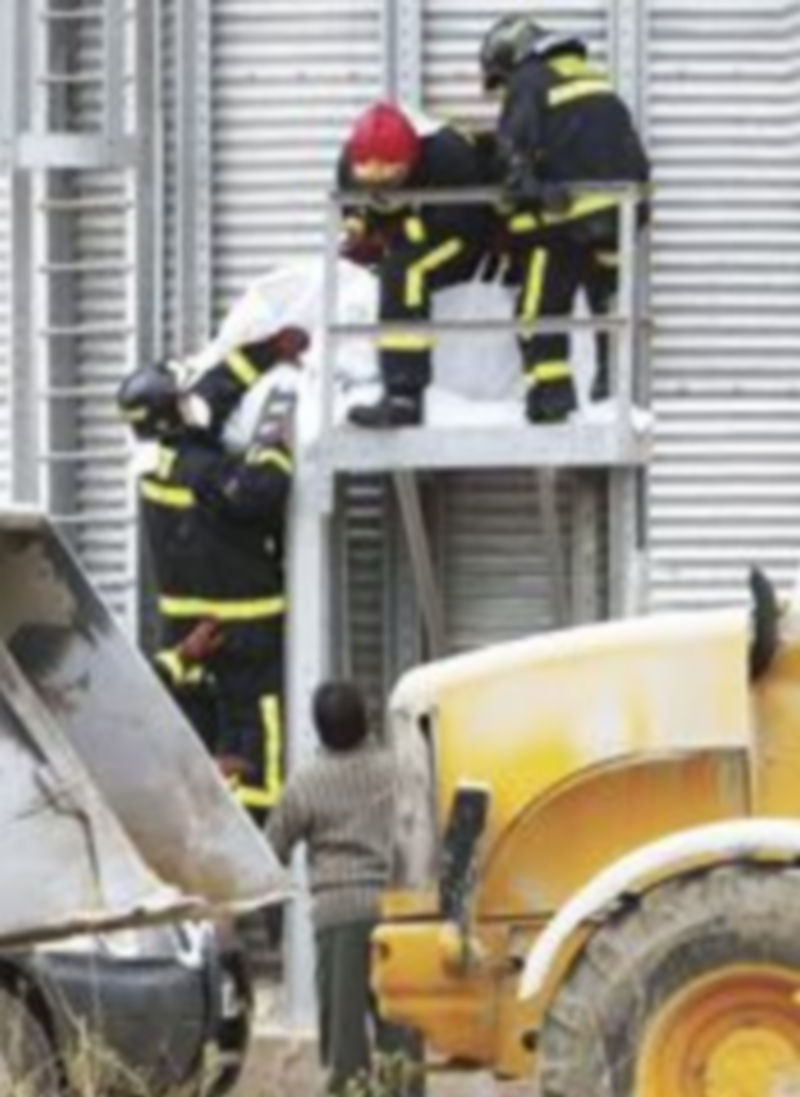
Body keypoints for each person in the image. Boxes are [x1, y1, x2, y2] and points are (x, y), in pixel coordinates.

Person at [117, 326, 307, 823]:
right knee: (258, 748)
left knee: (201, 744)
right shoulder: (196, 470)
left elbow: (209, 396)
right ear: (167, 416)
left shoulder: (157, 456)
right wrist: (273, 440)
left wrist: (267, 352)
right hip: (240, 635)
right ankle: (259, 851)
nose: (190, 404)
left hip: (189, 636)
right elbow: (259, 491)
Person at [479, 14, 650, 423]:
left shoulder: (528, 80)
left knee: (538, 310)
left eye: (500, 79)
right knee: (606, 304)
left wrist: (511, 201)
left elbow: (512, 157)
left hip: (566, 222)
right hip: (621, 219)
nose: (503, 90)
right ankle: (610, 385)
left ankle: (552, 396)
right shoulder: (595, 81)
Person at [266, 680, 424, 1096]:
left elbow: (272, 848)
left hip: (339, 919)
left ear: (319, 729)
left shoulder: (306, 784)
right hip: (397, 912)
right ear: (366, 720)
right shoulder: (399, 771)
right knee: (402, 1028)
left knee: (345, 1039)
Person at [338, 101, 492, 428]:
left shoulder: (448, 155)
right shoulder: (350, 160)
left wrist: (395, 237)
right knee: (387, 271)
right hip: (410, 235)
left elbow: (465, 222)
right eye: (369, 178)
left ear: (411, 159)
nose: (378, 188)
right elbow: (351, 208)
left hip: (463, 234)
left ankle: (404, 395)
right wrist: (357, 230)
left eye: (390, 177)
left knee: (406, 272)